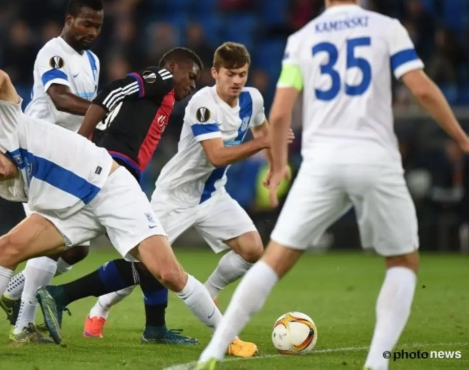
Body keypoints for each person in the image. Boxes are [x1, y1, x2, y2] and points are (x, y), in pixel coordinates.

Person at [195, 0, 469, 369]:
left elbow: (280, 112)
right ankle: (377, 362)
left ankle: (213, 351)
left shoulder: (302, 38)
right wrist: (461, 138)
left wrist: (279, 165)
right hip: (375, 157)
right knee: (403, 263)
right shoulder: (387, 28)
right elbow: (423, 89)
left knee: (273, 261)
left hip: (321, 163)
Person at [0, 68, 226, 352]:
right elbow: (42, 209)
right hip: (72, 212)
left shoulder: (8, 127)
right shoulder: (5, 187)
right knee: (6, 246)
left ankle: (227, 336)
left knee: (168, 273)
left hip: (110, 188)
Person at [40, 42, 292, 358]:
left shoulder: (252, 99)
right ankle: (99, 308)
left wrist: (274, 165)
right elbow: (216, 156)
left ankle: (209, 293)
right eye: (231, 74)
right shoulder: (202, 104)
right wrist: (264, 143)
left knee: (252, 248)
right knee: (146, 264)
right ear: (216, 74)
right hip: (175, 196)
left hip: (213, 194)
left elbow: (261, 129)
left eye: (242, 74)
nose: (237, 80)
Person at [0, 0, 104, 342]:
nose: (92, 31)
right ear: (69, 19)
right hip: (37, 155)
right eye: (86, 23)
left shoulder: (93, 61)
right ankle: (23, 326)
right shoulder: (53, 52)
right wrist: (102, 110)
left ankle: (11, 291)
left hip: (66, 159)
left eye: (98, 26)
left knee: (78, 246)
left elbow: (85, 117)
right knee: (50, 239)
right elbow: (59, 98)